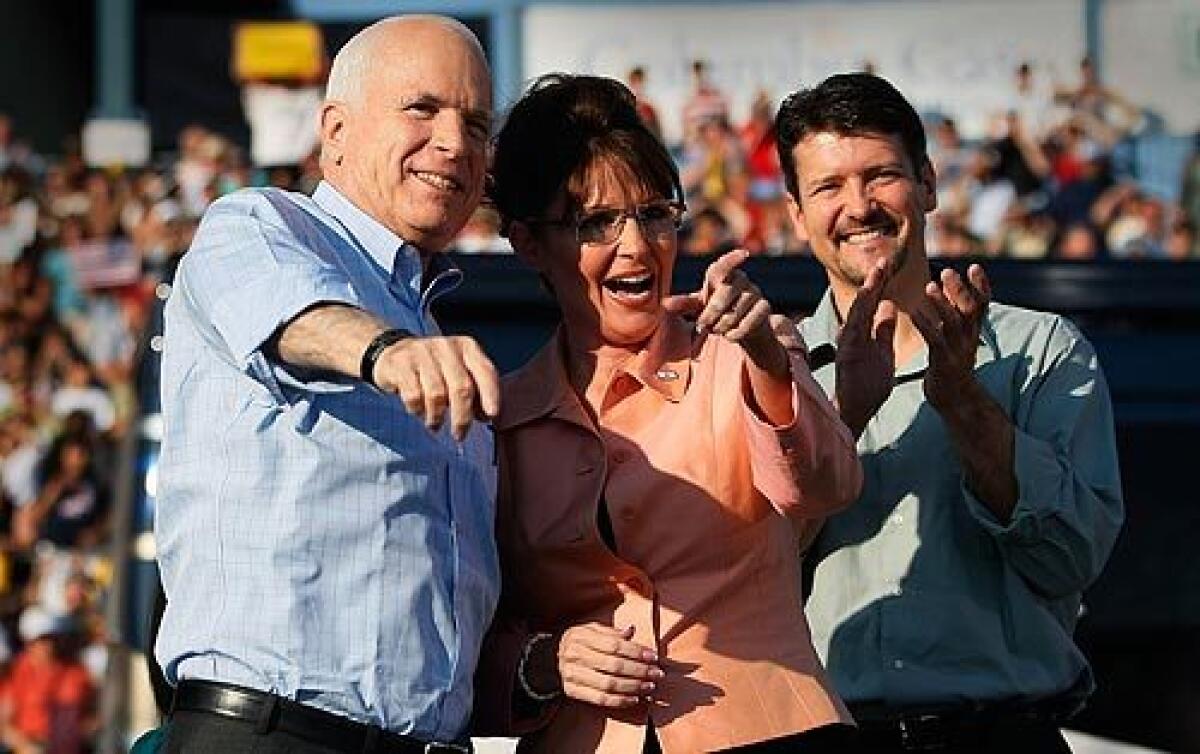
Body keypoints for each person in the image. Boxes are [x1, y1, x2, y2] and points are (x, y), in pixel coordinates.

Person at [473, 73, 862, 753]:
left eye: (655, 213)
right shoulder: (500, 420)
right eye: (596, 222)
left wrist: (771, 364)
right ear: (529, 243)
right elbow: (469, 632)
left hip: (770, 732)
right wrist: (542, 663)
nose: (637, 246)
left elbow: (827, 488)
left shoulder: (743, 354)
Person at [153, 15, 502, 753]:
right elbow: (290, 316)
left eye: (476, 122)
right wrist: (384, 353)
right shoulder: (255, 226)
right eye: (423, 109)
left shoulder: (437, 329)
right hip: (271, 734)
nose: (455, 141)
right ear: (335, 130)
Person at [774, 73, 1124, 753]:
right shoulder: (770, 371)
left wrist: (963, 401)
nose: (859, 206)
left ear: (929, 185)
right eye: (827, 187)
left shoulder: (1043, 351)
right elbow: (744, 573)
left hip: (1003, 736)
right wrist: (841, 415)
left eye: (881, 175)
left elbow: (1069, 558)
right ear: (795, 215)